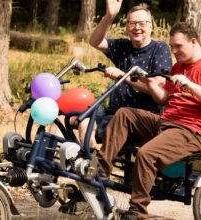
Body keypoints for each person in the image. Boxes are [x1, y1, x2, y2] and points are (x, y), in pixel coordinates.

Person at [98, 22, 201, 220]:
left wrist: (191, 86)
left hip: (191, 131)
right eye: (171, 46)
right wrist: (148, 81)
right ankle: (101, 171)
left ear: (193, 42)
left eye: (177, 46)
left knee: (145, 154)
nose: (173, 51)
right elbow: (162, 99)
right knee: (124, 114)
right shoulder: (178, 67)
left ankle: (137, 212)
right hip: (165, 122)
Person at [51, 1, 172, 148]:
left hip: (140, 117)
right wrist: (110, 16)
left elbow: (159, 85)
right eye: (132, 23)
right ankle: (46, 164)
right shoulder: (123, 46)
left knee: (86, 124)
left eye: (142, 23)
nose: (137, 28)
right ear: (127, 27)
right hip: (113, 111)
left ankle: (91, 167)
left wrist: (123, 76)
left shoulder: (159, 48)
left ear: (151, 26)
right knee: (60, 118)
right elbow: (95, 42)